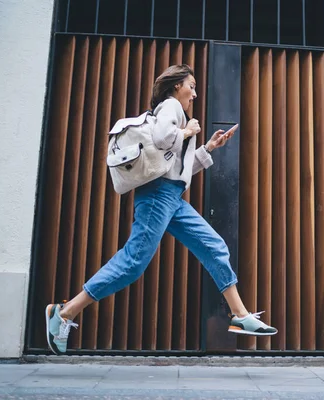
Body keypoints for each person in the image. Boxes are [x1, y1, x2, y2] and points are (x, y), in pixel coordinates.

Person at [44, 64, 277, 355]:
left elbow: (175, 168)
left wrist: (208, 147)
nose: (194, 93)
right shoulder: (171, 106)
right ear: (175, 86)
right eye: (190, 86)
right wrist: (188, 129)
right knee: (133, 263)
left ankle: (239, 315)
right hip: (157, 197)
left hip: (171, 196)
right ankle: (65, 312)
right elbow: (163, 139)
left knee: (213, 246)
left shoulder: (176, 115)